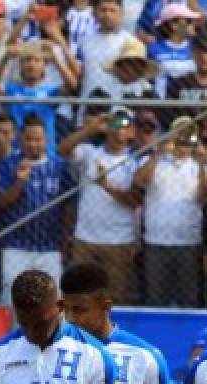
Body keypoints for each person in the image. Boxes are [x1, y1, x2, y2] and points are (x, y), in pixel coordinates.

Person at [58, 109, 141, 304]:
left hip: (119, 240)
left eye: (125, 125)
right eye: (115, 124)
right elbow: (63, 149)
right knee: (78, 294)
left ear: (132, 132)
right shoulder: (90, 152)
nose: (119, 129)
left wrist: (106, 185)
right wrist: (90, 129)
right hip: (85, 238)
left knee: (115, 298)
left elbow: (135, 200)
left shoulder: (136, 161)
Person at [0, 115, 75, 300]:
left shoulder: (59, 166)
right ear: (20, 140)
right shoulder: (9, 164)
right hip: (16, 246)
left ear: (46, 140)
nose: (33, 144)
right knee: (13, 300)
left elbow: (68, 206)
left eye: (38, 139)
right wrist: (20, 181)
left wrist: (65, 240)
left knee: (52, 301)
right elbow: (2, 202)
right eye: (28, 139)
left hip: (49, 247)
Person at [134, 120, 207, 308]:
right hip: (156, 241)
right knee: (155, 298)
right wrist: (159, 151)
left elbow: (204, 197)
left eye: (188, 139)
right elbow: (140, 181)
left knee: (188, 299)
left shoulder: (202, 169)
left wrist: (201, 165)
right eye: (179, 138)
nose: (183, 144)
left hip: (188, 243)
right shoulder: (152, 161)